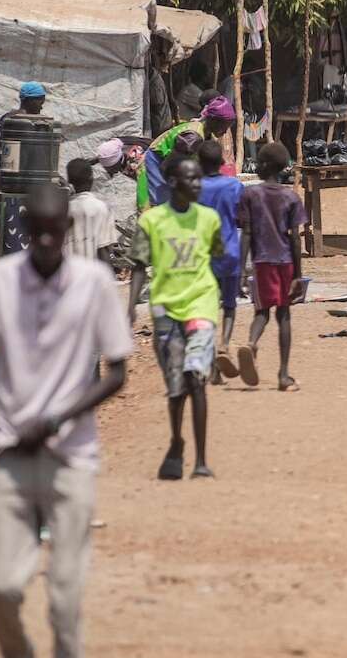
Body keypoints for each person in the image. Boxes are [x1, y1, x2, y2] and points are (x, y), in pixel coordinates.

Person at [0, 184, 132, 658]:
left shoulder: (95, 285)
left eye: (59, 231)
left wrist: (55, 420)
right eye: (40, 231)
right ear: (26, 229)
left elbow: (117, 372)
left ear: (68, 229)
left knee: (65, 595)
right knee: (3, 587)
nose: (50, 240)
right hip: (6, 456)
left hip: (70, 458)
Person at [128, 153, 222, 480]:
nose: (197, 184)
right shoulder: (151, 222)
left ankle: (201, 460)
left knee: (196, 378)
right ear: (172, 183)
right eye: (190, 178)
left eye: (199, 177)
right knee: (176, 386)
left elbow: (216, 255)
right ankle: (176, 441)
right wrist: (129, 308)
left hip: (201, 305)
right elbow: (139, 265)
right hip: (165, 308)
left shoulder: (209, 219)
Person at [236, 143, 305, 392]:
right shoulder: (291, 197)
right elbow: (295, 238)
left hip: (261, 262)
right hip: (285, 261)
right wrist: (299, 275)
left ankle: (252, 342)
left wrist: (242, 270)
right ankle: (283, 375)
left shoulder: (250, 195)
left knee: (261, 312)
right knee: (283, 315)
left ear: (263, 167)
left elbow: (246, 233)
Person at [193, 140, 243, 383]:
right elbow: (242, 219)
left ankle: (211, 357)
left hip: (203, 256)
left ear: (199, 163)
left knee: (207, 308)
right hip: (231, 251)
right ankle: (225, 343)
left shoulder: (194, 188)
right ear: (222, 162)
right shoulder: (234, 185)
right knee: (230, 304)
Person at [139, 96, 235, 212]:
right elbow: (169, 165)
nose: (225, 131)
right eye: (224, 126)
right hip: (157, 162)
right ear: (214, 121)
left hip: (170, 166)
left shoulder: (207, 135)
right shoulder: (193, 137)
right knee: (160, 207)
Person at [0, 81, 47, 197]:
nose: (42, 105)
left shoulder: (8, 118)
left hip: (9, 182)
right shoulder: (16, 121)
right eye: (41, 100)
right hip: (21, 185)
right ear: (31, 100)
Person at [62, 158, 116, 263]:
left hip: (66, 274)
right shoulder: (103, 208)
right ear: (91, 178)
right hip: (92, 274)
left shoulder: (62, 209)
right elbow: (104, 249)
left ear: (70, 181)